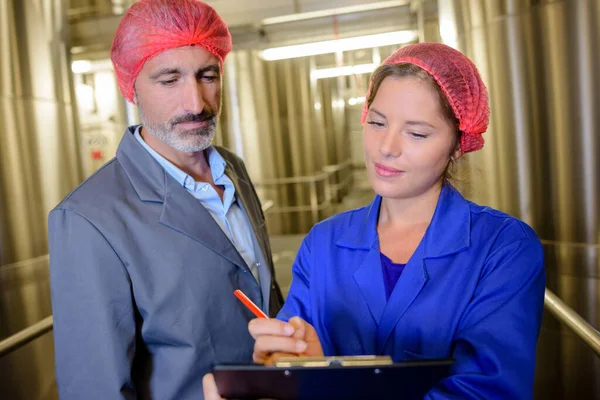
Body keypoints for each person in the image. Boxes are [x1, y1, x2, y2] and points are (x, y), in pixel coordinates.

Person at [203, 42, 546, 400]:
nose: (386, 147)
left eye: (416, 133)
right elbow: (295, 364)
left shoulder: (503, 249)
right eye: (378, 123)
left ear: (459, 143)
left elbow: (486, 392)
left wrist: (333, 384)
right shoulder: (324, 243)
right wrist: (285, 362)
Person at [48, 1, 283, 398]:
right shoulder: (89, 218)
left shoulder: (233, 169)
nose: (195, 103)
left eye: (207, 75)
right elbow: (96, 390)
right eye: (169, 80)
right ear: (131, 86)